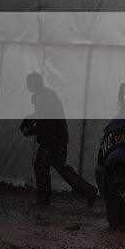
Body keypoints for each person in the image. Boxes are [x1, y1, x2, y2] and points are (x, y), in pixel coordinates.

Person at [21, 72, 97, 207]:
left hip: (51, 140)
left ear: (35, 83)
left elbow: (44, 120)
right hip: (57, 138)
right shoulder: (47, 95)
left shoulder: (41, 97)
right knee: (60, 166)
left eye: (29, 83)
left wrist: (30, 129)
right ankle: (87, 190)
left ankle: (43, 200)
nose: (27, 86)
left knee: (41, 166)